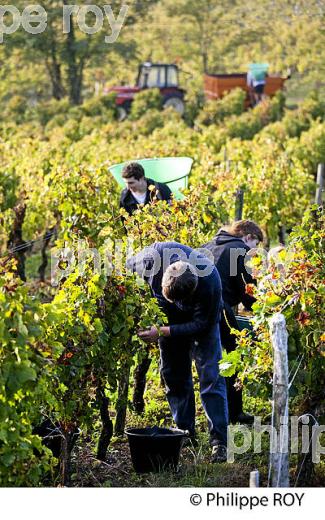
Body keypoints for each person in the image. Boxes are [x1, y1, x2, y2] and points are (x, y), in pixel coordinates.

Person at [127, 241, 229, 462]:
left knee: (211, 377)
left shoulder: (210, 280)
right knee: (173, 374)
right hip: (167, 319)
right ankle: (185, 432)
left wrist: (163, 331)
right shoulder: (149, 260)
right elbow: (124, 276)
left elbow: (202, 324)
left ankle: (219, 442)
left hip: (202, 322)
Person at [201, 220, 263, 425]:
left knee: (208, 360)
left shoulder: (209, 244)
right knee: (235, 353)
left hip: (195, 307)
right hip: (219, 307)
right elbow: (248, 292)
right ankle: (234, 412)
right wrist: (266, 311)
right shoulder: (241, 249)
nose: (255, 250)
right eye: (256, 244)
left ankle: (212, 413)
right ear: (248, 237)